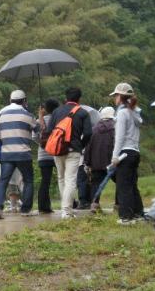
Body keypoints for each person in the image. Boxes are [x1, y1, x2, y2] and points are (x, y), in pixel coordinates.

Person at [0, 90, 40, 219]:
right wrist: (39, 117)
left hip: (6, 153)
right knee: (28, 180)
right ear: (24, 101)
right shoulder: (28, 114)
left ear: (10, 100)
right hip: (23, 153)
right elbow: (38, 130)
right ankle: (25, 210)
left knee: (3, 181)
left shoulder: (1, 113)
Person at [46, 88, 92, 219]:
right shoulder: (83, 113)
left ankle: (65, 209)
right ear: (79, 99)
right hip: (74, 150)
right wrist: (80, 145)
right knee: (71, 179)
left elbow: (50, 131)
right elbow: (88, 133)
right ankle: (67, 210)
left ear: (66, 98)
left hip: (58, 150)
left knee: (61, 178)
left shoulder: (56, 111)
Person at [110, 83, 144, 225]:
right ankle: (138, 214)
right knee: (131, 184)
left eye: (115, 95)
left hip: (124, 152)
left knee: (123, 186)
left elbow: (120, 137)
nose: (114, 98)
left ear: (120, 96)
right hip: (135, 152)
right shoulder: (134, 112)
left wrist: (115, 156)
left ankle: (126, 217)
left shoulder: (123, 113)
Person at [84, 106, 115, 213]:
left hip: (96, 163)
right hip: (112, 162)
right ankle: (118, 205)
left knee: (96, 184)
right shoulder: (115, 128)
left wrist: (87, 162)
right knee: (120, 182)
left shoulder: (94, 130)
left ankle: (94, 205)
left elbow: (88, 147)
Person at [34, 99, 59, 214]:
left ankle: (43, 207)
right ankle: (70, 203)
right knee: (64, 178)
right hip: (57, 153)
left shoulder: (38, 121)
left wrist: (42, 144)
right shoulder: (59, 120)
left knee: (45, 181)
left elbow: (34, 137)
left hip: (43, 154)